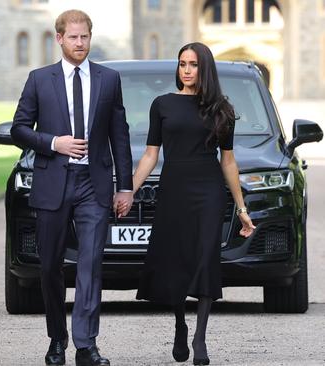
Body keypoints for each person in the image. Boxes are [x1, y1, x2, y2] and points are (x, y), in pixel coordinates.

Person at [11, 9, 133, 366]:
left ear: (89, 38)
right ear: (59, 39)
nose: (80, 43)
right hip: (53, 182)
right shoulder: (39, 79)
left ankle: (85, 344)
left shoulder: (108, 79)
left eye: (85, 37)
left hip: (93, 186)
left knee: (90, 264)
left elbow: (119, 136)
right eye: (73, 37)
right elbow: (20, 129)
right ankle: (56, 338)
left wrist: (124, 187)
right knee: (49, 266)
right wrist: (53, 143)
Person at [132, 42, 255, 365]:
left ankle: (200, 338)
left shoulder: (222, 110)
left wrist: (242, 210)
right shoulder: (162, 105)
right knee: (176, 260)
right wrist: (129, 190)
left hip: (209, 191)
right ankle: (180, 324)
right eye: (182, 63)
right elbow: (150, 154)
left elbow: (228, 162)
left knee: (204, 258)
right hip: (174, 190)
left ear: (205, 69)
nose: (186, 70)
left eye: (193, 64)